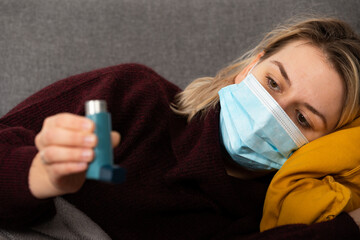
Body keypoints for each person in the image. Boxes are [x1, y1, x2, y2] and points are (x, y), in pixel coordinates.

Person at [0, 17, 360, 239]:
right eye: (273, 82)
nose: (271, 111)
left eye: (302, 118)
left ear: (329, 144)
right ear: (251, 66)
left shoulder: (274, 220)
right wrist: (36, 174)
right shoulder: (133, 94)